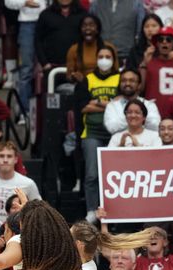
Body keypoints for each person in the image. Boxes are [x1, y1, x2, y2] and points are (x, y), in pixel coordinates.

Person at [76, 45, 120, 221]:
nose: (104, 59)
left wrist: (97, 103)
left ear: (113, 59)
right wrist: (109, 103)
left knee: (115, 176)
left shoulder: (119, 78)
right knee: (92, 174)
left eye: (108, 56)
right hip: (91, 133)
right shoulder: (87, 79)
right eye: (101, 56)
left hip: (114, 134)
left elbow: (121, 103)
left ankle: (116, 211)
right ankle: (91, 211)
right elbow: (83, 106)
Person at [0, 140, 40, 246]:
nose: (5, 160)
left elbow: (39, 211)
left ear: (16, 159)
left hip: (17, 240)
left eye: (9, 156)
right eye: (1, 156)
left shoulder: (28, 183)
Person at [104, 69, 161, 135]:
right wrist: (136, 116)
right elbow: (111, 128)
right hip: (120, 143)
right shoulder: (112, 106)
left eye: (132, 81)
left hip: (146, 143)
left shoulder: (149, 105)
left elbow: (156, 126)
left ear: (139, 85)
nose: (127, 83)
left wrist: (133, 116)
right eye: (123, 81)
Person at [65, 15, 119, 82]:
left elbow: (116, 71)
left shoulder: (109, 47)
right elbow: (69, 76)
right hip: (82, 85)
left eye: (91, 25)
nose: (88, 28)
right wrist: (74, 77)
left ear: (97, 30)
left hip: (105, 84)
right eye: (84, 26)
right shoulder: (73, 49)